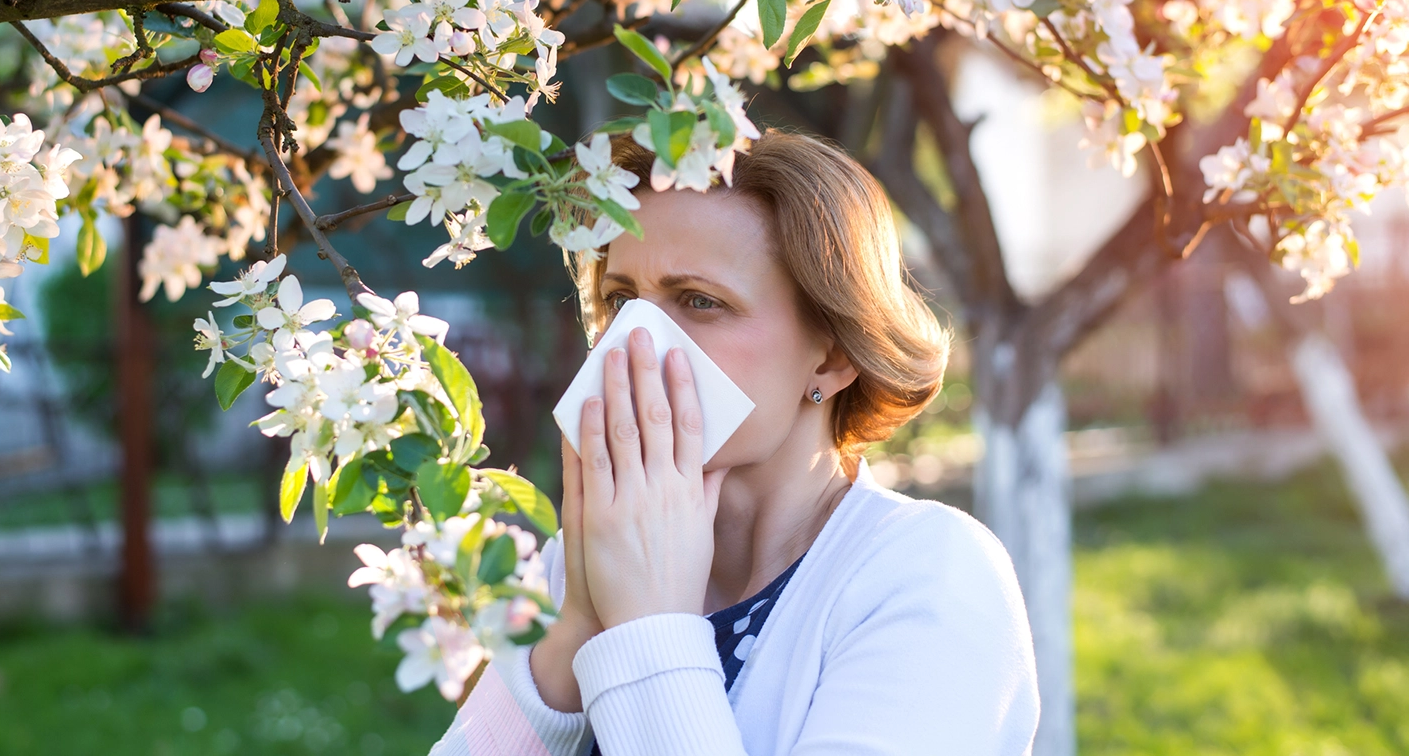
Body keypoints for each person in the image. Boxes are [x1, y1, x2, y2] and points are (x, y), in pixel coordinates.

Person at [429, 129, 1039, 755]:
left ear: (831, 356)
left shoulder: (927, 575)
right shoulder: (581, 563)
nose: (637, 341)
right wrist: (579, 628)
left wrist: (646, 624)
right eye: (621, 299)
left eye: (699, 301)